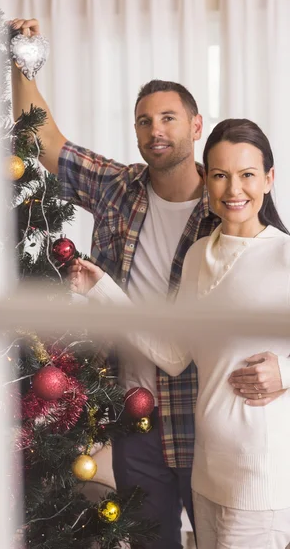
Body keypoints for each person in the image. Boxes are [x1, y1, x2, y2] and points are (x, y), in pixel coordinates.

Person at [9, 18, 288, 548]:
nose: (155, 129)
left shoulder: (233, 217)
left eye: (168, 118)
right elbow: (45, 142)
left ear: (196, 127)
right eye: (143, 121)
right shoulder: (121, 190)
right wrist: (21, 63)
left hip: (206, 418)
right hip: (135, 412)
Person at [68, 118, 290, 549]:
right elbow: (172, 354)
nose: (234, 189)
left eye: (247, 175)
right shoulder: (196, 256)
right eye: (221, 175)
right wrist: (103, 291)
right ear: (205, 179)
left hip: (260, 479)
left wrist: (285, 371)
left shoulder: (284, 255)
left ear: (268, 179)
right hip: (207, 472)